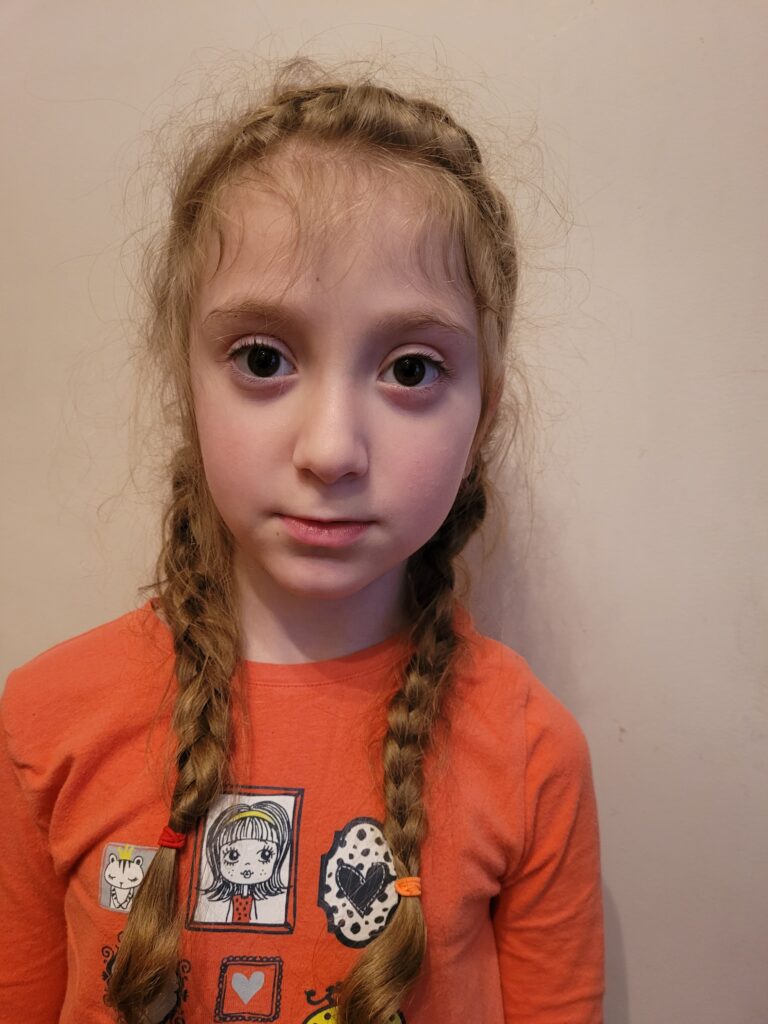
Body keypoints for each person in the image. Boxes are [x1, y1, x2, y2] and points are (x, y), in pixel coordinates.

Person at [0, 55, 605, 1024]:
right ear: (189, 384)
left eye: (411, 368)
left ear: (483, 413)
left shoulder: (532, 755)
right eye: (263, 357)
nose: (330, 450)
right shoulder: (42, 723)